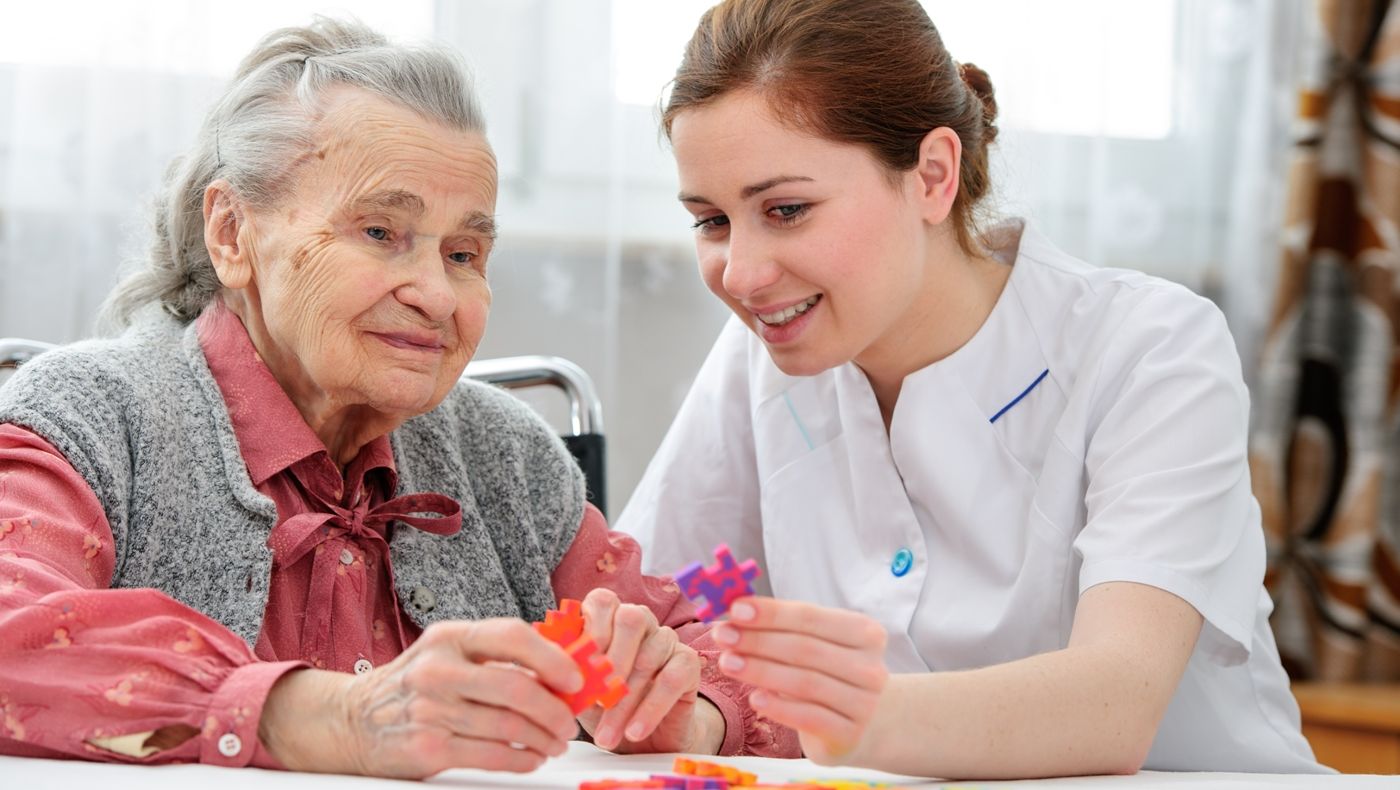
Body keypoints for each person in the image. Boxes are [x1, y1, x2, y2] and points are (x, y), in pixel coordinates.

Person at [0, 18, 797, 777]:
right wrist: (340, 716)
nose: (437, 295)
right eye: (381, 232)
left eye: (463, 252)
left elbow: (744, 665)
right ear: (233, 234)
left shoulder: (509, 460)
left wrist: (684, 708)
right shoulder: (90, 416)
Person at [618, 0, 1326, 779]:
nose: (742, 273)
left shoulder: (1152, 349)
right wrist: (662, 697)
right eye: (712, 222)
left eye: (786, 210)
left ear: (932, 175)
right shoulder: (761, 355)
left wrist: (838, 718)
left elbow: (1114, 704)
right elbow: (657, 610)